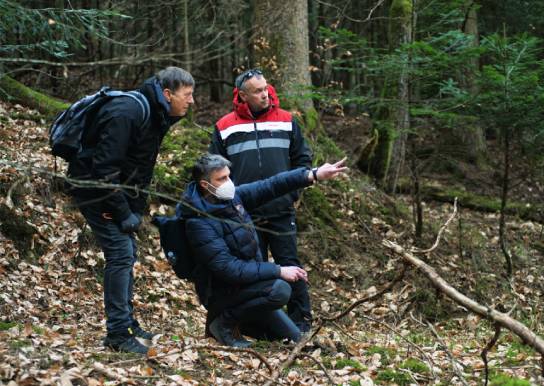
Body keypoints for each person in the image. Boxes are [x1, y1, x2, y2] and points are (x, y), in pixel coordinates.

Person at [67, 66, 195, 354]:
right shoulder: (129, 111)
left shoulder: (156, 115)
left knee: (126, 252)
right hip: (94, 191)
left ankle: (126, 324)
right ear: (167, 94)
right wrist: (124, 213)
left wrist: (136, 211)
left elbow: (139, 167)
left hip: (113, 192)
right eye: (187, 95)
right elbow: (104, 170)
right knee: (120, 253)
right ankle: (117, 333)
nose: (191, 101)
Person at [178, 154, 347, 347]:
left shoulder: (232, 199)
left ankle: (240, 323)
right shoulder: (198, 222)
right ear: (205, 185)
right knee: (281, 288)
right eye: (222, 179)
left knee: (297, 341)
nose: (229, 183)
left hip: (247, 288)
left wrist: (313, 175)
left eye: (229, 176)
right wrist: (278, 270)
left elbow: (271, 185)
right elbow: (228, 268)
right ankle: (222, 324)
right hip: (223, 294)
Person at [209, 69, 314, 332]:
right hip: (243, 214)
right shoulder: (224, 126)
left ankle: (301, 324)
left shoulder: (287, 121)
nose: (265, 94)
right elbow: (215, 170)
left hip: (281, 211)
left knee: (290, 266)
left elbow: (302, 161)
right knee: (250, 271)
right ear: (242, 95)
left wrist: (292, 194)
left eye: (266, 88)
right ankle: (252, 325)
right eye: (257, 91)